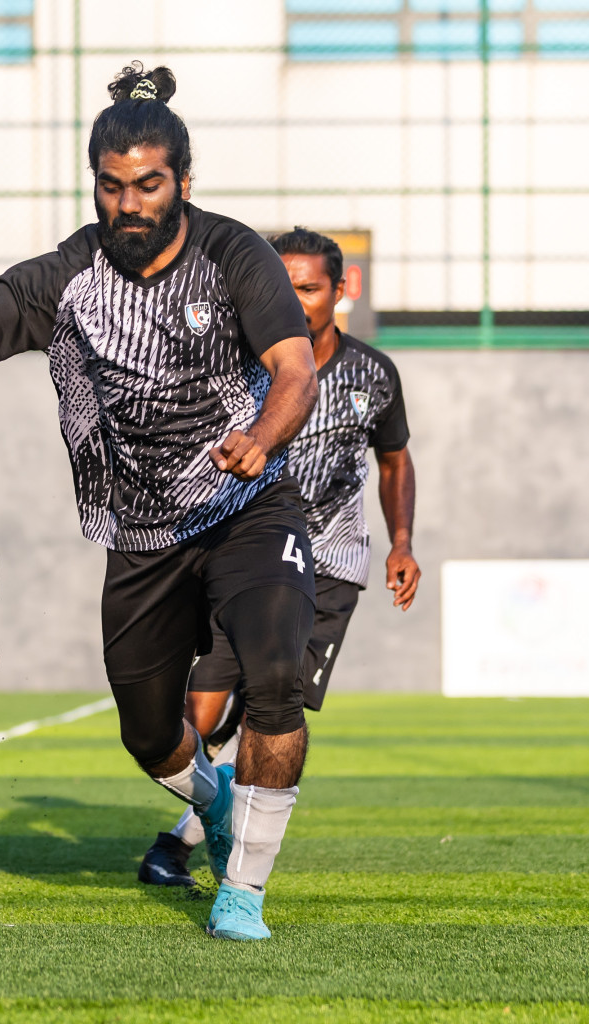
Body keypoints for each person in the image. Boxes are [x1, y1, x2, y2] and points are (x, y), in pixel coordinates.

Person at [0, 65, 317, 941]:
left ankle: (243, 890)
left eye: (149, 185)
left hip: (248, 504)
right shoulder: (66, 277)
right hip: (140, 535)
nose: (130, 204)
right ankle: (213, 799)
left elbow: (293, 368)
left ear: (183, 184)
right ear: (94, 182)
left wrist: (263, 441)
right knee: (148, 739)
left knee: (275, 676)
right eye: (112, 185)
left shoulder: (235, 254)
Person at [138, 227, 419, 887]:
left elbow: (395, 460)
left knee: (271, 705)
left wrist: (402, 542)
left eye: (311, 287)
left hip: (327, 569)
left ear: (341, 290)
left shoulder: (373, 374)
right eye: (284, 285)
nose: (297, 299)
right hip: (240, 554)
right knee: (198, 717)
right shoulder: (235, 363)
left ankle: (185, 852)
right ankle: (212, 810)